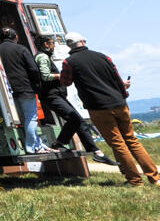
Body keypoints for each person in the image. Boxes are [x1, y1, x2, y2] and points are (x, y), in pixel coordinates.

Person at [61, 32, 159, 187]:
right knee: (132, 140)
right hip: (119, 103)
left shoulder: (69, 62)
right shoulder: (103, 56)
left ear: (69, 46)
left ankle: (135, 180)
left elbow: (65, 82)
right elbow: (116, 77)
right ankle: (155, 177)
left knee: (118, 143)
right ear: (83, 41)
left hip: (97, 107)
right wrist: (124, 93)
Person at [33, 36, 114, 165]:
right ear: (46, 44)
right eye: (52, 44)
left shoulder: (45, 56)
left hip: (57, 95)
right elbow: (45, 76)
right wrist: (62, 75)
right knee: (75, 119)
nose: (54, 46)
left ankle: (96, 152)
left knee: (79, 121)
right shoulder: (42, 57)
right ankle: (58, 145)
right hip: (51, 95)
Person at [0, 27, 53, 153]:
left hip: (10, 89)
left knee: (24, 119)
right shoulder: (21, 49)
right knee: (31, 118)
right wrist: (37, 84)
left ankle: (38, 144)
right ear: (15, 37)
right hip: (26, 87)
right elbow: (33, 68)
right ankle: (33, 147)